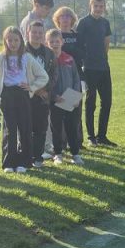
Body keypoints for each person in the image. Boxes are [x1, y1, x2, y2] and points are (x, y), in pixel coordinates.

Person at [0, 26, 48, 173]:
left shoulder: (27, 57)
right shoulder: (0, 58)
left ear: (21, 41)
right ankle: (9, 162)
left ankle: (24, 161)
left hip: (22, 94)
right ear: (5, 41)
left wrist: (32, 87)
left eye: (16, 40)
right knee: (10, 129)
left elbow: (43, 76)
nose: (13, 43)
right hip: (7, 95)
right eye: (9, 40)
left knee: (25, 128)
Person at [76, 0, 114, 147]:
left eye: (101, 6)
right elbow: (78, 45)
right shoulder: (83, 22)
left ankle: (102, 136)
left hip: (103, 67)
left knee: (107, 102)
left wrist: (102, 58)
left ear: (104, 7)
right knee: (91, 103)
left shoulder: (105, 22)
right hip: (89, 68)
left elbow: (106, 43)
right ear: (90, 6)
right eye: (96, 6)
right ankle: (91, 137)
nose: (98, 9)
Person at [45, 29, 83, 165]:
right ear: (47, 43)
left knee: (71, 127)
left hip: (70, 99)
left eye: (57, 41)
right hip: (55, 100)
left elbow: (76, 78)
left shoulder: (69, 58)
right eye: (51, 42)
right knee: (56, 128)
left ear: (62, 42)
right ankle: (58, 154)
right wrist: (54, 96)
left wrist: (75, 97)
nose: (55, 44)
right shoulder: (47, 61)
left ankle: (75, 154)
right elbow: (45, 82)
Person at [24, 20, 55, 167]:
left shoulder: (49, 52)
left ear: (43, 35)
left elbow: (53, 75)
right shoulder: (21, 51)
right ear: (27, 33)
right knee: (25, 128)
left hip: (43, 97)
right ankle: (25, 156)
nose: (37, 35)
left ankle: (37, 157)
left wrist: (45, 90)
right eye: (34, 32)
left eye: (40, 33)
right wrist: (35, 89)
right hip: (26, 96)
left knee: (41, 128)